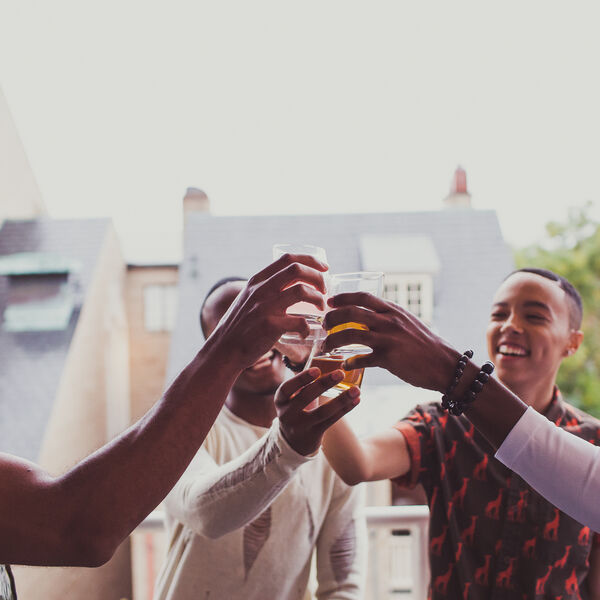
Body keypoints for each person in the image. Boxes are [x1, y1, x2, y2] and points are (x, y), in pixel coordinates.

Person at [0, 254, 330, 599]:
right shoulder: (191, 430)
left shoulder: (322, 434)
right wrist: (230, 349)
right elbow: (80, 526)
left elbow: (343, 575)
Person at [321, 268, 600, 599]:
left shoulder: (591, 442)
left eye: (535, 316)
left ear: (572, 342)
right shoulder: (441, 423)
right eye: (499, 314)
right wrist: (313, 373)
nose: (510, 325)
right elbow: (357, 464)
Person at [153, 277, 365, 600]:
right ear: (211, 352)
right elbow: (204, 512)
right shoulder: (183, 427)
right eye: (234, 334)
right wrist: (288, 446)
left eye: (262, 324)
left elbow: (342, 586)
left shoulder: (333, 442)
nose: (256, 344)